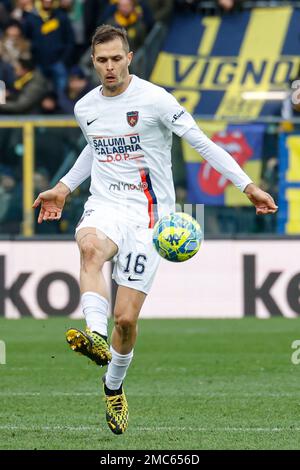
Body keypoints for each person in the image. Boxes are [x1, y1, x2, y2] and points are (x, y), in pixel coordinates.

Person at [33, 24, 278, 435]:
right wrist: (63, 187)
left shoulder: (156, 100)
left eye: (116, 59)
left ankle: (113, 387)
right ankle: (94, 337)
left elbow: (201, 142)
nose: (109, 67)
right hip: (106, 204)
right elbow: (94, 150)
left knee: (125, 320)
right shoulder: (85, 107)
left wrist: (247, 186)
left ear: (129, 57)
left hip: (151, 218)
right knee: (90, 248)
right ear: (93, 63)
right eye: (101, 61)